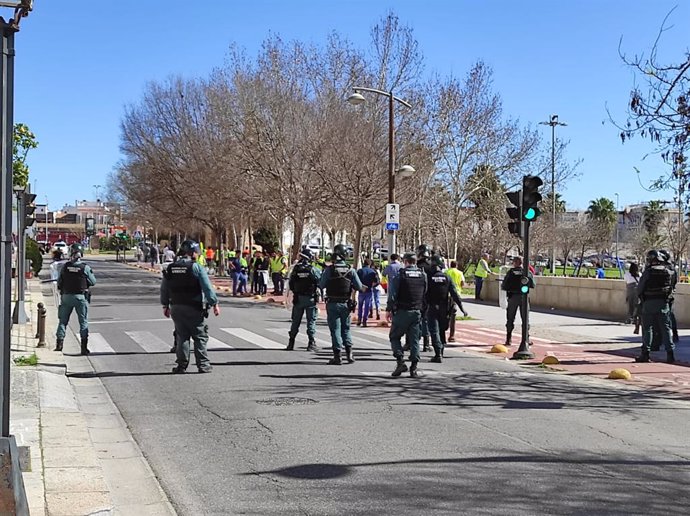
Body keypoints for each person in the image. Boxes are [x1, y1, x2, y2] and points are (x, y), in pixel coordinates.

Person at [160, 240, 220, 373]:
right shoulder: (196, 267)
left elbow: (164, 289)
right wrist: (214, 303)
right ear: (193, 253)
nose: (198, 255)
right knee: (200, 336)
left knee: (182, 337)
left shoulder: (170, 268)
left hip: (176, 306)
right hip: (194, 306)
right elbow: (207, 288)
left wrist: (165, 305)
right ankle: (203, 365)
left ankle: (181, 365)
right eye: (197, 252)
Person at [319, 244, 366, 365]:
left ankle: (337, 356)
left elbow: (321, 284)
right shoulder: (351, 270)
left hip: (333, 303)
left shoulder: (330, 270)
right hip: (346, 303)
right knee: (346, 329)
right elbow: (359, 287)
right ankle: (349, 354)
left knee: (335, 329)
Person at [386, 253, 428, 377]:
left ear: (405, 261)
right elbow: (425, 293)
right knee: (414, 340)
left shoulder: (401, 275)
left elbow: (392, 294)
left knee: (394, 336)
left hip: (402, 311)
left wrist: (389, 309)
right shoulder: (423, 275)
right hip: (416, 311)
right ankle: (414, 368)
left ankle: (400, 362)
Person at [55, 243, 97, 354]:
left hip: (66, 296)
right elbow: (93, 282)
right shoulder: (85, 267)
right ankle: (83, 348)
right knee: (83, 322)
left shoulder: (65, 266)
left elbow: (59, 281)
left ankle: (59, 344)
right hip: (80, 297)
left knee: (63, 321)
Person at [634, 250, 675, 363]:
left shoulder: (648, 272)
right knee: (665, 329)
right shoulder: (668, 271)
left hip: (648, 303)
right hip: (663, 303)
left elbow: (640, 288)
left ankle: (645, 354)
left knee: (648, 329)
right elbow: (671, 287)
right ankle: (670, 353)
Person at [426, 254, 464, 363]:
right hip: (444, 308)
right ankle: (441, 351)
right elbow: (455, 294)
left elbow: (423, 293)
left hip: (432, 307)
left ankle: (438, 353)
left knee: (434, 331)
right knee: (442, 330)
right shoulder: (447, 278)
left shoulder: (429, 277)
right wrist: (462, 308)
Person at [287, 247, 322, 351]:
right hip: (310, 298)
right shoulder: (312, 269)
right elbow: (319, 281)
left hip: (298, 298)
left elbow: (291, 283)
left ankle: (291, 342)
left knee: (295, 321)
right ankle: (311, 343)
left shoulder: (296, 269)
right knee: (311, 321)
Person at [501, 256, 534, 347]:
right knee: (525, 318)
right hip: (524, 296)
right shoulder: (526, 272)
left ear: (515, 263)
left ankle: (509, 339)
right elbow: (532, 284)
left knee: (510, 318)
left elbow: (504, 286)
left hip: (513, 297)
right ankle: (526, 338)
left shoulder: (511, 272)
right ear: (522, 263)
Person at [445, 260, 469, 342]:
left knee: (444, 314)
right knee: (453, 315)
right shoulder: (460, 273)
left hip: (446, 294)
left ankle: (443, 331)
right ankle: (452, 336)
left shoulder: (446, 272)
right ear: (457, 266)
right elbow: (462, 283)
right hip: (456, 295)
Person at [356, 259, 379, 327]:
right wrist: (372, 285)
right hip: (369, 290)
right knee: (367, 306)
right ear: (370, 264)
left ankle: (359, 319)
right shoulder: (373, 271)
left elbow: (356, 280)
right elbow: (377, 281)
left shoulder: (360, 271)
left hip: (361, 290)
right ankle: (364, 320)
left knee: (360, 305)